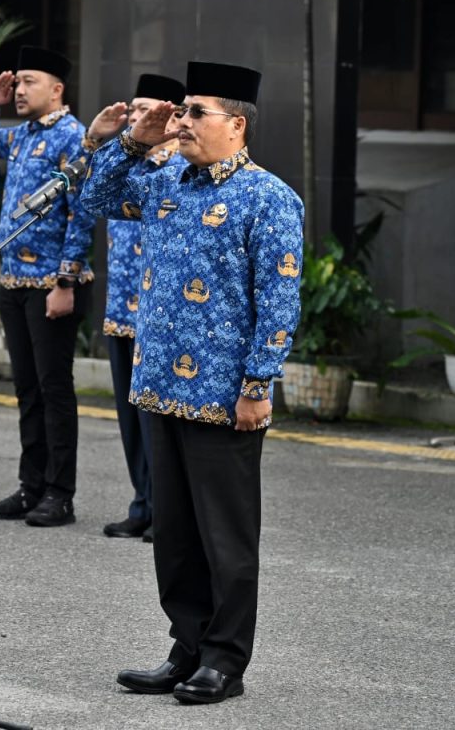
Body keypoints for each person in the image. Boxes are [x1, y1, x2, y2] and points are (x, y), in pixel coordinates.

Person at [80, 61, 304, 703]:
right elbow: (92, 202)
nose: (179, 122)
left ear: (236, 124)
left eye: (193, 112)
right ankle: (186, 647)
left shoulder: (269, 197)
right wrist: (127, 140)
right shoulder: (164, 181)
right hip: (157, 385)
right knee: (175, 534)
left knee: (225, 536)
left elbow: (280, 299)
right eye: (179, 112)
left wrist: (258, 384)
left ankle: (225, 661)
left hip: (222, 394)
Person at [0, 46, 94, 528]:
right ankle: (31, 485)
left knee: (53, 389)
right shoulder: (20, 134)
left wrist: (65, 280)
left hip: (52, 284)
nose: (20, 90)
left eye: (29, 82)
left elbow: (82, 213)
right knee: (26, 389)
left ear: (57, 89)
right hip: (15, 282)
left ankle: (60, 493)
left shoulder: (75, 136)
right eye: (17, 83)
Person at [84, 74, 186, 542]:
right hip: (120, 312)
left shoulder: (176, 171)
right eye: (133, 111)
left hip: (158, 318)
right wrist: (97, 141)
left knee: (157, 423)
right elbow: (82, 195)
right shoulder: (123, 168)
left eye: (149, 110)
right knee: (129, 421)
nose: (139, 119)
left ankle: (167, 511)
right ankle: (141, 503)